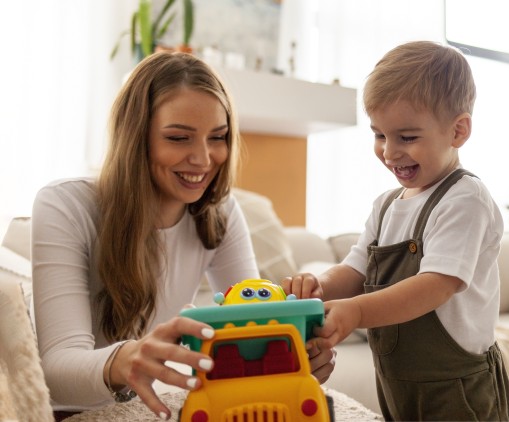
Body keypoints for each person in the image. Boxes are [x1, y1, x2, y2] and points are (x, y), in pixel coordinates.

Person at [32, 52, 335, 421]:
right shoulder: (66, 205)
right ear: (135, 137)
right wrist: (127, 359)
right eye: (179, 137)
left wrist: (297, 352)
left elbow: (247, 326)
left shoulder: (219, 213)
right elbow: (57, 375)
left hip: (147, 410)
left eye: (218, 137)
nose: (204, 159)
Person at [281, 41, 509, 421]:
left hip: (457, 387)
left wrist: (356, 312)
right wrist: (319, 288)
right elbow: (355, 270)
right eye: (380, 135)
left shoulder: (465, 199)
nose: (390, 152)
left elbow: (436, 285)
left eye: (407, 137)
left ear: (458, 131)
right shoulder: (386, 205)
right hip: (397, 381)